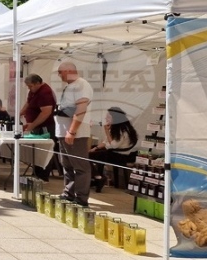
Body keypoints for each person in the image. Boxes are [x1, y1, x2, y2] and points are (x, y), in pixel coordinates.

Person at [54, 62, 94, 207]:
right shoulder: (70, 86)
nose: (59, 75)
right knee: (67, 165)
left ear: (69, 70)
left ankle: (81, 198)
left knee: (80, 166)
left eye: (60, 72)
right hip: (64, 132)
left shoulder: (81, 85)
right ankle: (68, 193)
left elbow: (81, 109)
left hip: (75, 134)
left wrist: (72, 131)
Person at [89, 107, 138, 193]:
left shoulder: (123, 130)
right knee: (91, 151)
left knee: (90, 156)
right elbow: (105, 142)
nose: (105, 118)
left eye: (108, 116)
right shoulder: (116, 127)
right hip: (113, 152)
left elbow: (114, 145)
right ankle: (97, 177)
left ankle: (98, 177)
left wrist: (107, 131)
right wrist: (95, 148)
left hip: (120, 155)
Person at [20, 73, 57, 180]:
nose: (29, 88)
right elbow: (29, 103)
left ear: (38, 83)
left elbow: (45, 113)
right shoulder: (33, 91)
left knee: (44, 150)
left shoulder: (45, 93)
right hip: (36, 126)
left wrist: (32, 125)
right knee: (36, 150)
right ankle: (36, 173)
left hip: (45, 126)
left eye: (30, 86)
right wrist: (21, 112)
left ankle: (43, 176)